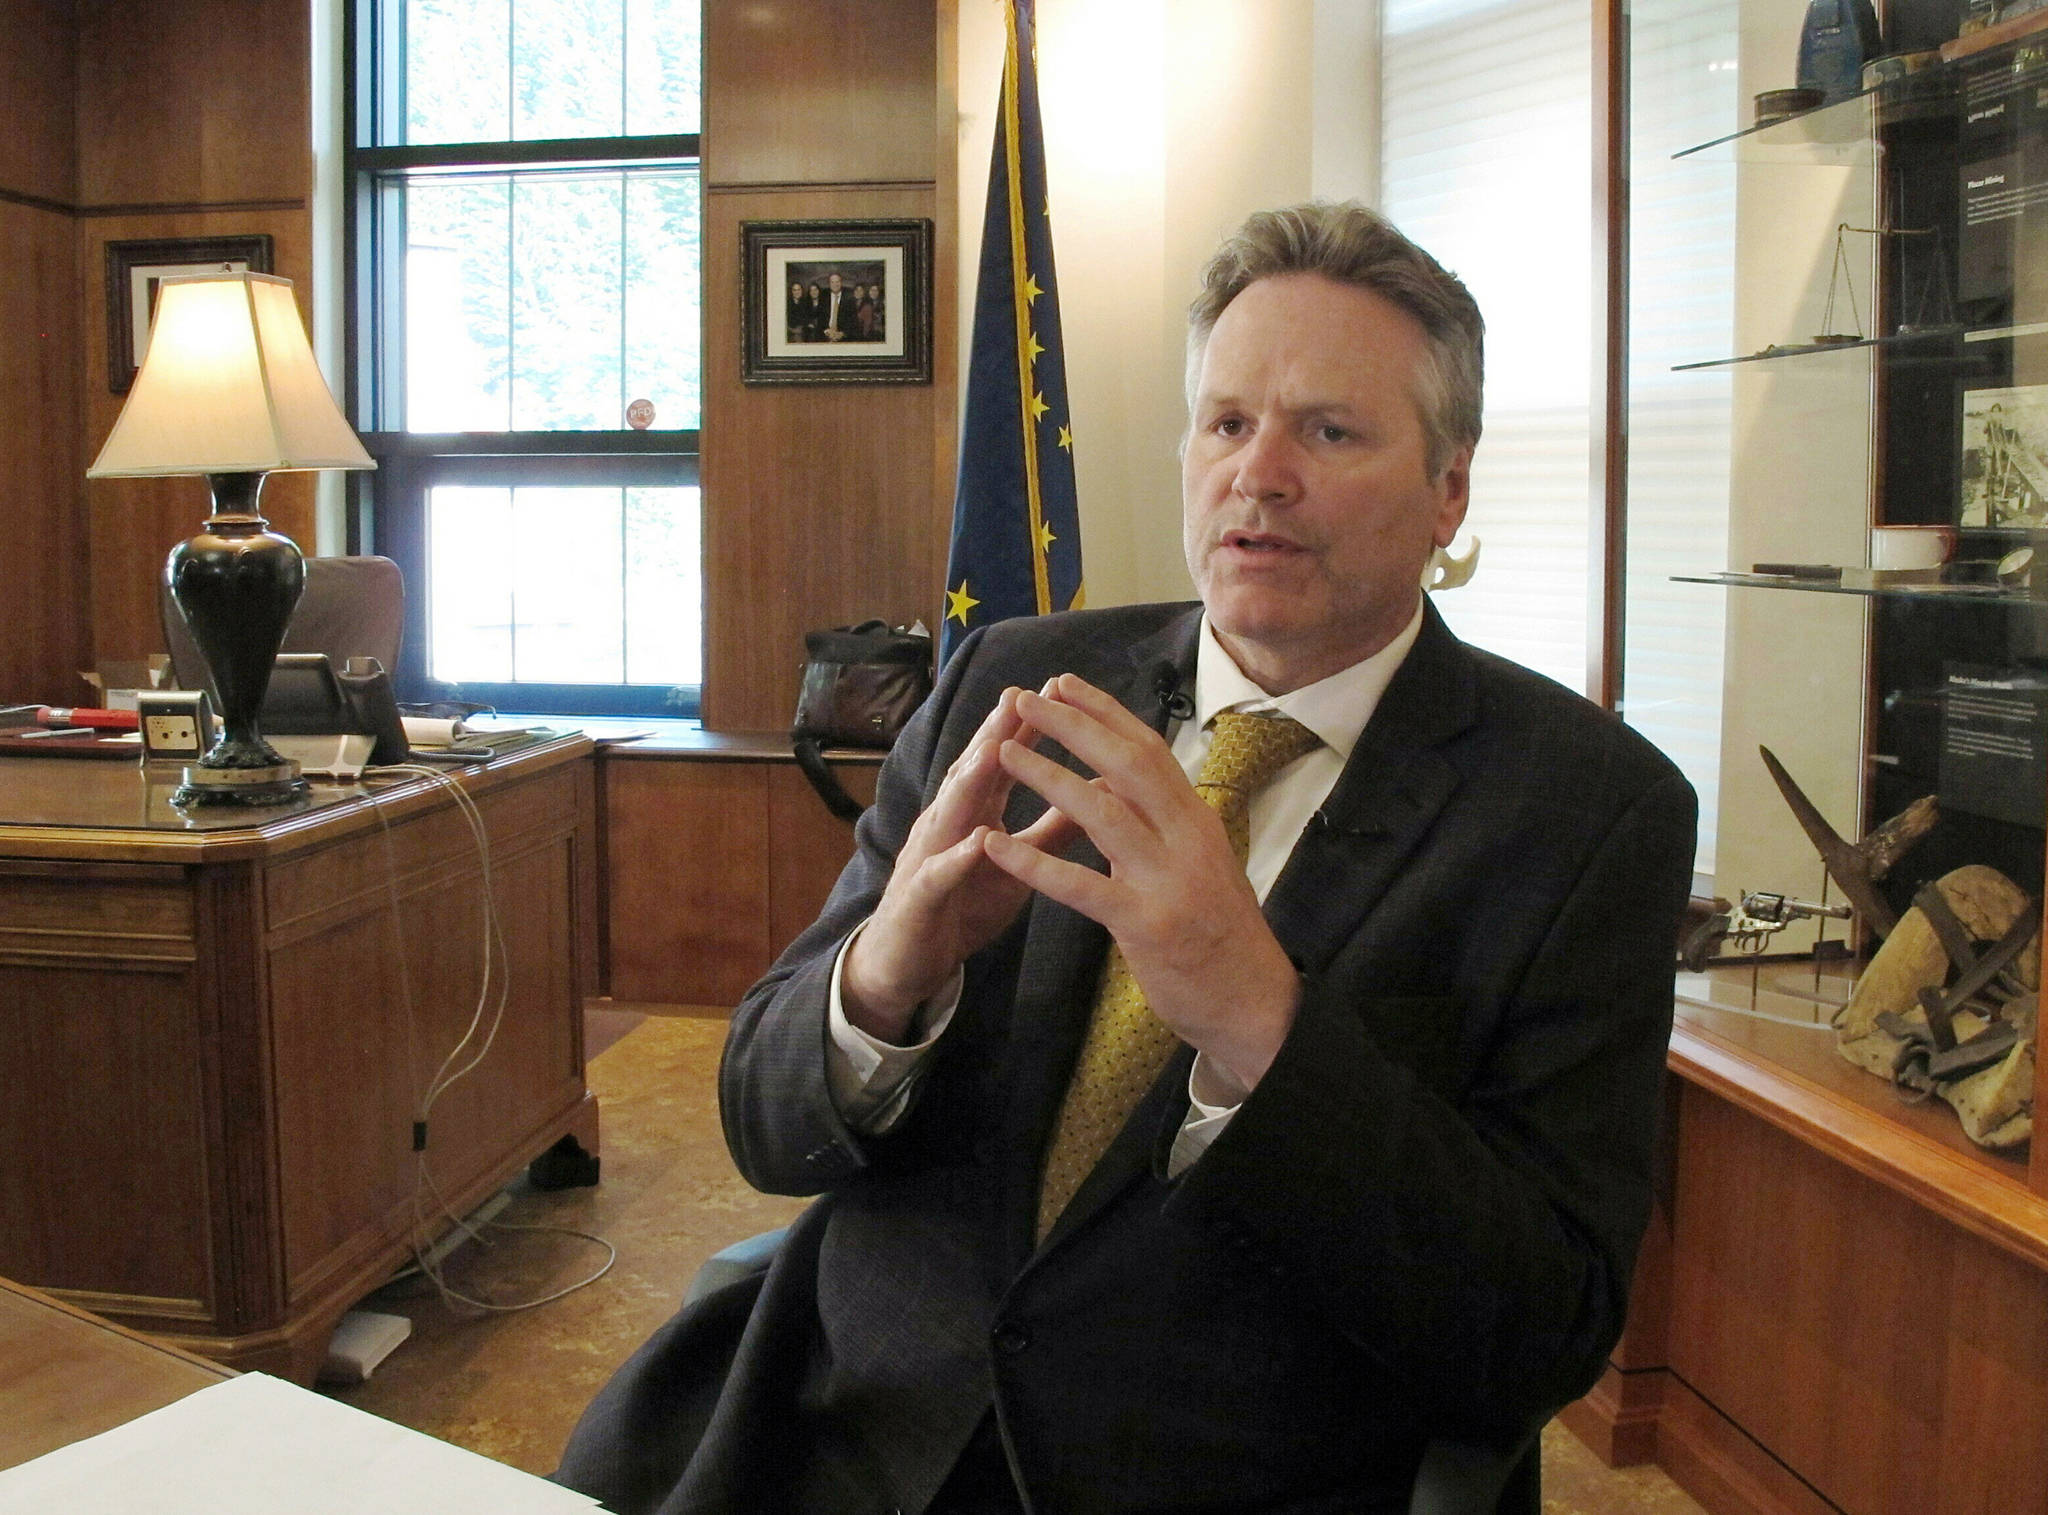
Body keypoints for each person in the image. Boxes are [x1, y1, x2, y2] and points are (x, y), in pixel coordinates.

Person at [554, 201, 1697, 1515]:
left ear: (1450, 487)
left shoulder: (1586, 813)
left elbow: (1536, 1331)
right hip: (841, 1441)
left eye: (1329, 431)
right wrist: (886, 974)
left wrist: (1259, 1021)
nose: (1258, 474)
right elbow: (765, 1122)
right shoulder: (1016, 681)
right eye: (1225, 423)